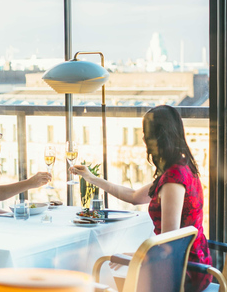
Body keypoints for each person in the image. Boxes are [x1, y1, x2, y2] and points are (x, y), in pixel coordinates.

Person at [70, 105, 212, 292]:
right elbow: (134, 197)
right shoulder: (179, 168)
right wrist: (92, 178)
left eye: (147, 133)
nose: (143, 138)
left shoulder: (173, 180)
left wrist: (137, 256)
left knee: (98, 272)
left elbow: (170, 243)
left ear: (159, 137)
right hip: (190, 264)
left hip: (183, 272)